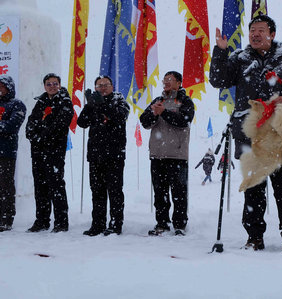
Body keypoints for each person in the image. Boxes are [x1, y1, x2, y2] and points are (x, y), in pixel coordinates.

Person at [209, 14, 282, 251]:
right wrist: (221, 51)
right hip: (248, 132)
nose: (255, 34)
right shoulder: (239, 60)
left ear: (272, 34)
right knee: (253, 186)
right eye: (252, 30)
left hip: (279, 132)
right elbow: (217, 80)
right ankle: (254, 237)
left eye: (260, 30)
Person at [140, 71, 195, 236]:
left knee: (178, 192)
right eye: (164, 80)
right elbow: (144, 121)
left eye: (170, 80)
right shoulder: (158, 101)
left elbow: (184, 121)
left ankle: (179, 224)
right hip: (157, 154)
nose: (166, 83)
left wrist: (163, 112)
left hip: (177, 155)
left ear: (179, 82)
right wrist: (153, 113)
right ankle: (161, 223)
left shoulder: (185, 101)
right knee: (159, 192)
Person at [77, 76, 130, 236]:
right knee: (97, 191)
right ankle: (98, 224)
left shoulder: (120, 101)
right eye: (99, 85)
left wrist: (102, 105)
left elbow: (119, 117)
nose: (102, 88)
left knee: (114, 191)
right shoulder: (93, 103)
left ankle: (115, 224)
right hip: (95, 154)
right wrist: (89, 106)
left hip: (114, 154)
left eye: (106, 85)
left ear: (112, 86)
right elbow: (81, 122)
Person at [25, 73, 73, 233]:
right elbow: (31, 123)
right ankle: (42, 220)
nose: (52, 86)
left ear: (59, 85)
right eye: (48, 84)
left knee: (56, 185)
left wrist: (42, 136)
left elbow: (60, 124)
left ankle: (61, 222)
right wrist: (33, 135)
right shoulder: (40, 102)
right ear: (44, 86)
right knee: (40, 186)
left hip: (54, 151)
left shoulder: (65, 101)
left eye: (55, 83)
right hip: (38, 151)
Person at [0, 75, 26, 232]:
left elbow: (11, 126)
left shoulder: (17, 104)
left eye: (3, 86)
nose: (0, 89)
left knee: (5, 186)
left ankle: (6, 218)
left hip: (6, 151)